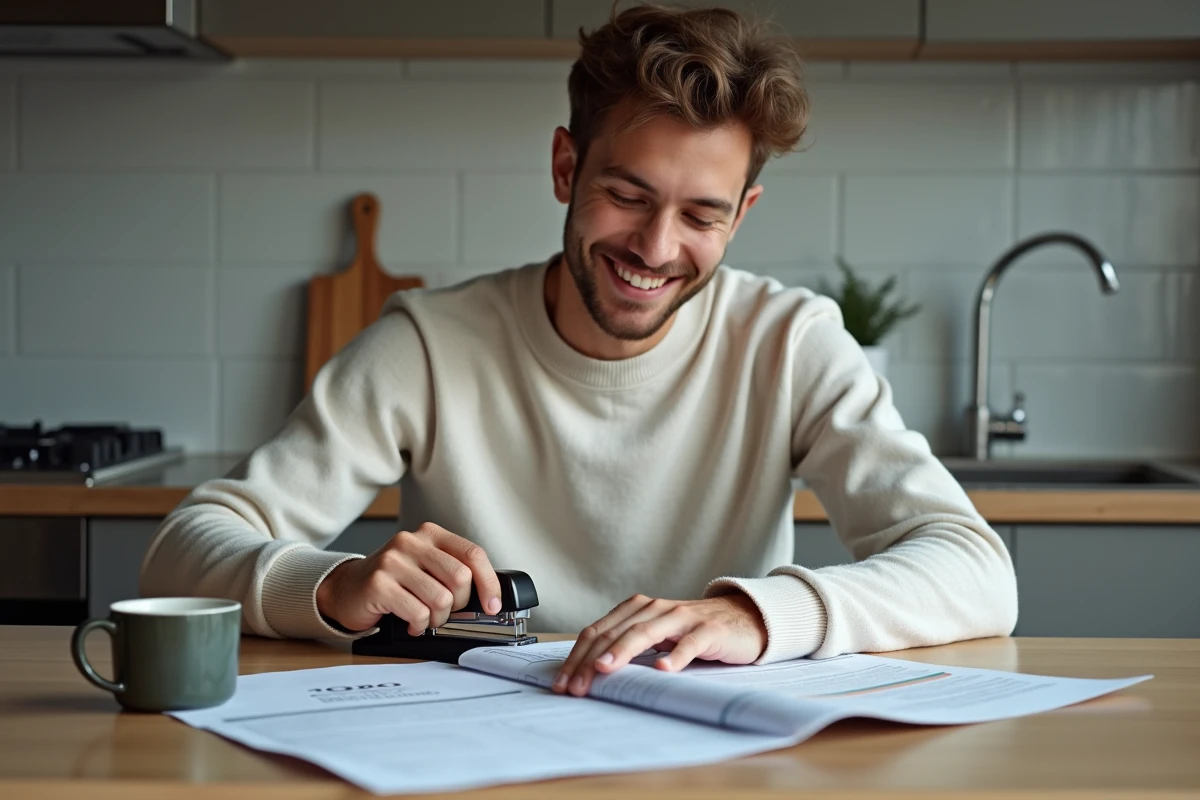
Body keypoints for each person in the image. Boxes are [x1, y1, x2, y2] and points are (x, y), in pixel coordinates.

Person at [140, 3, 1017, 699]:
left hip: (717, 748)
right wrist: (331, 588)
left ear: (741, 215)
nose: (657, 247)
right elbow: (183, 550)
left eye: (702, 215)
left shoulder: (791, 343)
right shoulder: (429, 345)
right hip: (474, 747)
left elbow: (976, 571)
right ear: (566, 168)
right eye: (627, 195)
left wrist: (760, 615)